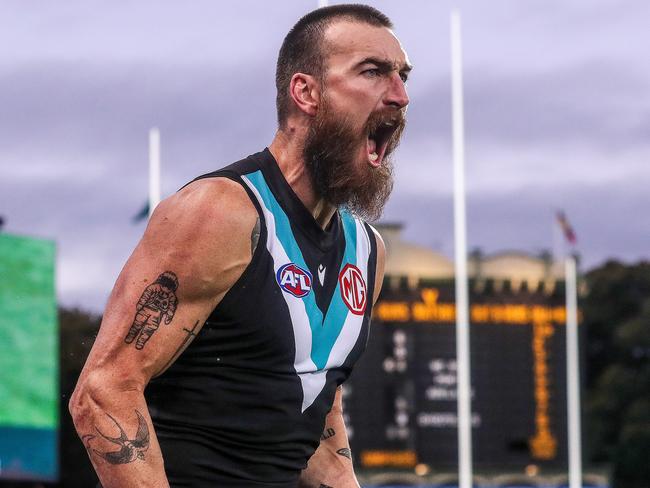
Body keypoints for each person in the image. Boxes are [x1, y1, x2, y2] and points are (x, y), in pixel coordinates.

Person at [70, 4, 411, 487]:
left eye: (403, 76)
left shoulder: (366, 252)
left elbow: (316, 418)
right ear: (306, 92)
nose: (399, 95)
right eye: (373, 72)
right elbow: (103, 392)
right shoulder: (222, 212)